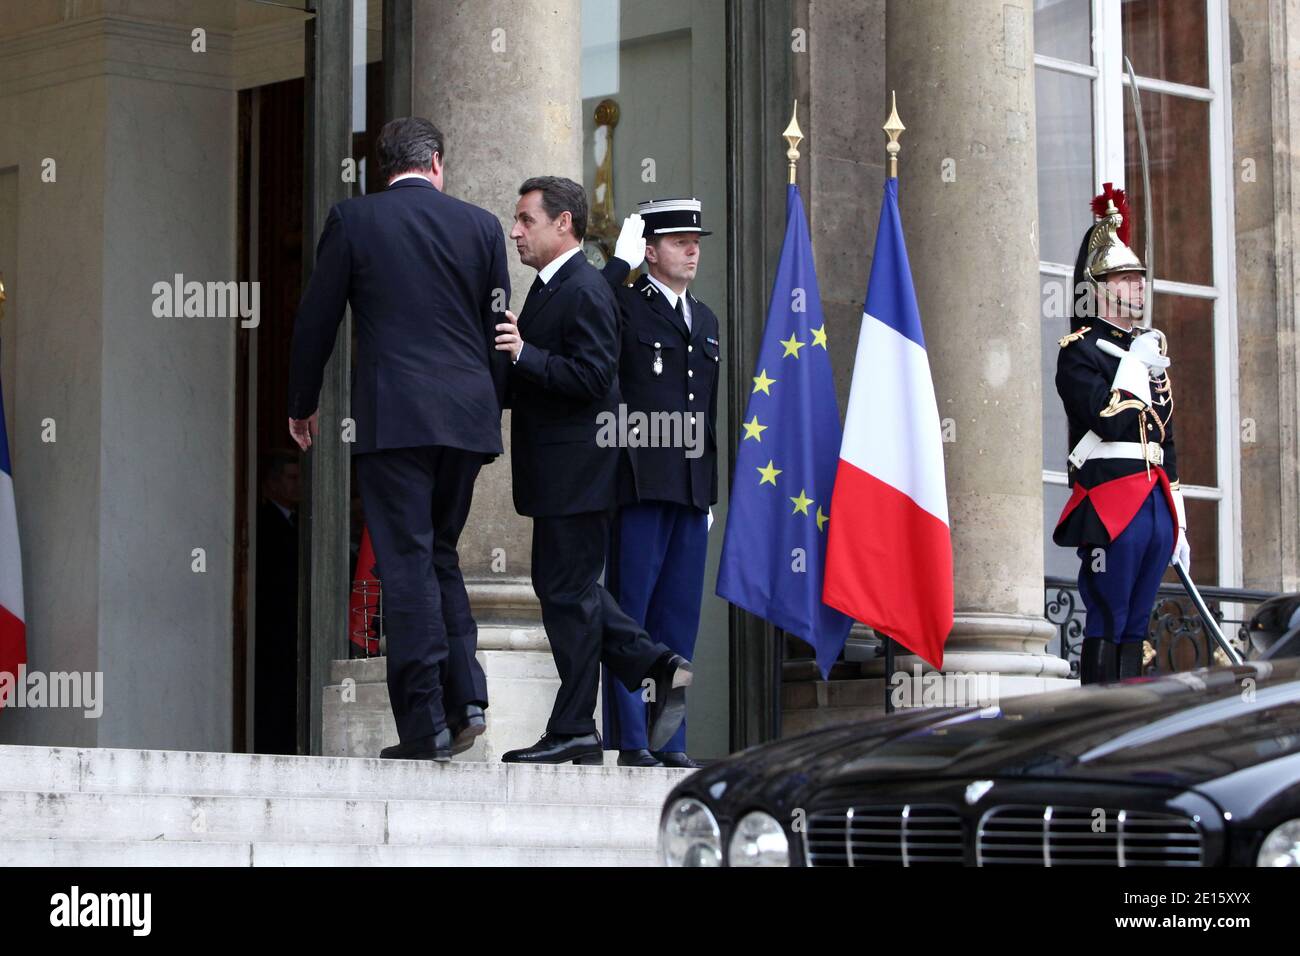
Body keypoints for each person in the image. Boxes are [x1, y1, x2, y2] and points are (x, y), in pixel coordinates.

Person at [287, 117, 509, 761]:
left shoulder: (355, 220)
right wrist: (485, 408)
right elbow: (499, 328)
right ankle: (466, 698)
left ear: (382, 168)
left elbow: (316, 320)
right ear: (436, 162)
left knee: (408, 561)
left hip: (396, 420)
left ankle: (423, 724)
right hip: (465, 422)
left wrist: (303, 403)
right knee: (440, 553)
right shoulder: (483, 226)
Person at [493, 175, 692, 765]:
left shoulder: (581, 287)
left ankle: (580, 725)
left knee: (569, 595)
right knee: (569, 594)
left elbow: (592, 377)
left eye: (527, 219)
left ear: (565, 224)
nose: (515, 231)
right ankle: (652, 668)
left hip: (577, 474)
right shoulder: (556, 285)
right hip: (560, 475)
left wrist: (524, 354)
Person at [599, 199, 719, 768]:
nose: (692, 250)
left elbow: (705, 410)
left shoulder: (708, 319)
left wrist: (707, 489)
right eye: (678, 241)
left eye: (696, 241)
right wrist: (613, 271)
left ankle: (670, 738)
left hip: (690, 490)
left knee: (677, 624)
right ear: (649, 251)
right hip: (640, 483)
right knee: (631, 615)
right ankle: (631, 739)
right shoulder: (623, 305)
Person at [1053, 184, 1188, 684]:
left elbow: (1164, 438)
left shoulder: (1145, 351)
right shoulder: (1080, 351)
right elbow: (1107, 419)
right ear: (1099, 286)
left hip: (1153, 499)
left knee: (1137, 623)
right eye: (1125, 279)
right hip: (1111, 496)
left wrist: (1180, 511)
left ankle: (1129, 718)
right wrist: (1133, 366)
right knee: (1109, 615)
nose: (1137, 287)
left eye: (1137, 278)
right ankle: (1100, 713)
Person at [254, 449, 300, 754]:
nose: (298, 485)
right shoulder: (263, 522)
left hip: (294, 630)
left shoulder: (304, 524)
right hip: (272, 630)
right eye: (292, 478)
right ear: (272, 484)